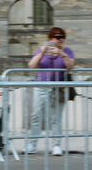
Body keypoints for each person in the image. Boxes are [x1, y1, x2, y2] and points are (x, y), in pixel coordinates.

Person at [25, 26, 75, 155]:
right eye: (57, 37)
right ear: (50, 38)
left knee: (56, 118)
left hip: (58, 88)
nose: (60, 39)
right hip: (41, 86)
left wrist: (61, 54)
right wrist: (42, 52)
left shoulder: (67, 51)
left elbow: (70, 65)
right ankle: (32, 144)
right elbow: (31, 65)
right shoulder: (42, 50)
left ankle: (56, 145)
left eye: (62, 37)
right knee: (36, 116)